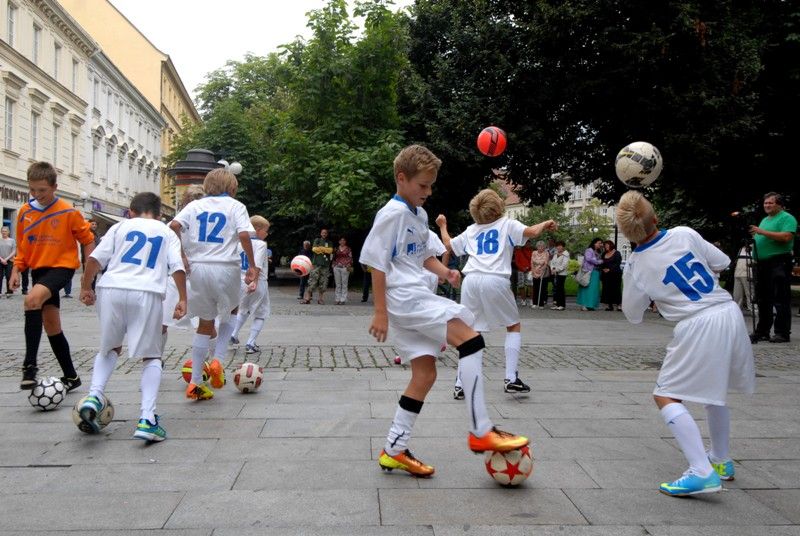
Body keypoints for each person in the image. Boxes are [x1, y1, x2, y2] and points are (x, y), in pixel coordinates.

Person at [360, 145, 529, 477]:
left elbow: (422, 257)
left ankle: (394, 449)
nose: (428, 191)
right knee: (471, 340)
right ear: (402, 178)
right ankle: (481, 430)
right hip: (405, 298)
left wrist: (445, 273)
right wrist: (379, 311)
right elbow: (377, 265)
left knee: (425, 375)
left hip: (414, 295)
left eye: (431, 185)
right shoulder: (391, 214)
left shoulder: (419, 216)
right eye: (423, 185)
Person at [616, 190, 755, 497]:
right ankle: (720, 459)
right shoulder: (684, 233)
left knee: (665, 395)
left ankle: (701, 471)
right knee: (714, 393)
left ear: (626, 234)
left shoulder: (637, 263)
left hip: (697, 322)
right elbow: (721, 261)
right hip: (727, 310)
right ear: (656, 218)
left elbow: (633, 314)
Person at [77, 192, 186, 441]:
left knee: (109, 348)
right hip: (146, 292)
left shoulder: (120, 227)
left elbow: (94, 259)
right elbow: (177, 266)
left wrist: (86, 287)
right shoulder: (165, 231)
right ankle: (147, 418)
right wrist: (182, 298)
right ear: (160, 214)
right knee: (152, 355)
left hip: (111, 288)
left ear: (131, 211)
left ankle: (94, 395)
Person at [437, 188, 557, 399]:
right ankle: (511, 378)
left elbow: (448, 245)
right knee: (513, 325)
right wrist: (545, 223)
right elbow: (531, 232)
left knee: (470, 331)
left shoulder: (472, 229)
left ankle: (460, 383)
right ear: (498, 206)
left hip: (471, 280)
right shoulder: (507, 224)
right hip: (495, 279)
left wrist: (443, 226)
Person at [169, 168, 256, 401]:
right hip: (226, 267)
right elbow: (245, 235)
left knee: (205, 324)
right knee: (234, 308)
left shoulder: (194, 206)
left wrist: (183, 256)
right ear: (232, 187)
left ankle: (196, 382)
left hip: (198, 267)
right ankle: (218, 360)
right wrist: (253, 266)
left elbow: (173, 227)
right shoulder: (236, 206)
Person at [10, 162, 96, 391]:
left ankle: (29, 366)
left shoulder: (69, 211)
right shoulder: (24, 212)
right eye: (33, 190)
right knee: (51, 325)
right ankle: (71, 376)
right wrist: (16, 269)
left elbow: (87, 240)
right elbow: (22, 245)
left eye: (42, 190)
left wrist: (88, 276)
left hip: (62, 268)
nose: (37, 195)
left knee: (31, 300)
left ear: (54, 187)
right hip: (39, 269)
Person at [749, 192, 796, 343]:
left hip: (778, 262)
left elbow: (786, 237)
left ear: (779, 205)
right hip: (763, 264)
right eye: (765, 203)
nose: (767, 205)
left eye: (770, 203)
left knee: (780, 298)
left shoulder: (787, 218)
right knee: (763, 299)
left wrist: (762, 232)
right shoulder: (765, 219)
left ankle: (782, 333)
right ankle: (763, 331)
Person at [231, 216, 271, 354]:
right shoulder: (260, 244)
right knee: (261, 313)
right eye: (266, 230)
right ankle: (251, 342)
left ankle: (234, 334)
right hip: (258, 282)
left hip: (241, 282)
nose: (267, 234)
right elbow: (257, 264)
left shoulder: (238, 242)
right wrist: (255, 282)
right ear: (257, 229)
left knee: (243, 309)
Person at [302, 228, 333, 304]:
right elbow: (314, 249)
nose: (324, 234)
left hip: (325, 265)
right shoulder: (317, 240)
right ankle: (307, 298)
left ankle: (320, 299)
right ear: (321, 233)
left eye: (325, 233)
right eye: (323, 233)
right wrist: (324, 249)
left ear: (327, 234)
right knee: (312, 280)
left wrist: (321, 249)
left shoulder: (329, 242)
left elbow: (330, 251)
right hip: (316, 264)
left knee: (323, 282)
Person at [576, 237, 603, 311]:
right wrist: (599, 261)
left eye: (601, 243)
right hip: (588, 272)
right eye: (599, 243)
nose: (600, 245)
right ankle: (584, 304)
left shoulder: (598, 251)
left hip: (596, 272)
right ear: (594, 243)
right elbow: (588, 258)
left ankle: (591, 305)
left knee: (593, 290)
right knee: (586, 287)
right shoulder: (589, 250)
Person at [600, 240, 623, 311]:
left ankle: (619, 305)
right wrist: (603, 269)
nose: (606, 247)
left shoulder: (617, 253)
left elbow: (617, 263)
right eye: (605, 245)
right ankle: (609, 305)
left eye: (607, 245)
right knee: (607, 289)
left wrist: (610, 269)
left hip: (615, 274)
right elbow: (601, 262)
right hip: (606, 275)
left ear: (611, 245)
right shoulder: (604, 254)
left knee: (616, 289)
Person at [732, 245, 754, 315]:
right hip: (737, 273)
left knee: (750, 293)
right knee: (737, 294)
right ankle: (736, 311)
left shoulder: (754, 247)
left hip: (747, 273)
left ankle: (754, 311)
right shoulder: (740, 249)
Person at [332, 236, 353, 305]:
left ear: (345, 241)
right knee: (338, 284)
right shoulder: (336, 249)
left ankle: (343, 299)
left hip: (345, 267)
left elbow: (350, 258)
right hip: (337, 267)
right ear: (339, 241)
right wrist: (333, 264)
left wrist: (349, 264)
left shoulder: (348, 249)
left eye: (343, 240)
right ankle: (337, 299)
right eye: (341, 240)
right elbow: (333, 257)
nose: (342, 242)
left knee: (344, 284)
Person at [549, 240, 569, 310]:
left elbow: (564, 265)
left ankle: (562, 305)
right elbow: (552, 262)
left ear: (563, 247)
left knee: (560, 289)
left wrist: (556, 270)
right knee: (556, 289)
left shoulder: (566, 254)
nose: (559, 247)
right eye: (557, 246)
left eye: (560, 246)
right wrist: (552, 268)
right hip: (555, 273)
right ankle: (557, 304)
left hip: (562, 274)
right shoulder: (555, 254)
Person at [530, 240, 550, 308]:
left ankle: (541, 304)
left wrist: (542, 271)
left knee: (542, 288)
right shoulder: (534, 253)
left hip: (543, 273)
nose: (540, 248)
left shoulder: (546, 253)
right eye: (539, 246)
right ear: (537, 247)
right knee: (535, 288)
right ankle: (535, 303)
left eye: (542, 247)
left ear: (544, 247)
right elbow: (532, 262)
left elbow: (546, 263)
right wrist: (533, 270)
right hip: (535, 272)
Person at [512, 241, 533, 305]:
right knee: (521, 285)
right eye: (526, 243)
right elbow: (517, 262)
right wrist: (522, 268)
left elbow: (533, 261)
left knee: (530, 285)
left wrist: (528, 267)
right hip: (520, 270)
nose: (528, 244)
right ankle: (523, 300)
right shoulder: (518, 251)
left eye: (529, 243)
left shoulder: (532, 251)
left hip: (529, 270)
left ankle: (531, 300)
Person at [0, 226, 15, 296]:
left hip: (9, 261)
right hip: (0, 260)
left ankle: (9, 291)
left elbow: (14, 251)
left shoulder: (12, 240)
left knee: (9, 276)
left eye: (5, 231)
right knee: (0, 276)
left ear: (8, 232)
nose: (4, 232)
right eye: (2, 231)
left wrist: (6, 259)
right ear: (1, 232)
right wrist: (2, 259)